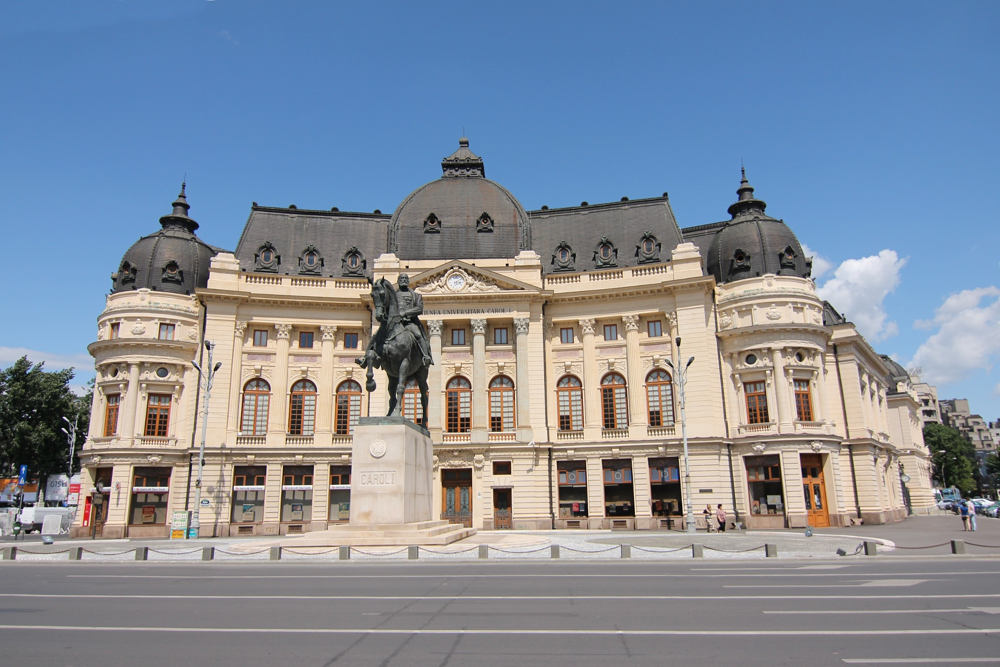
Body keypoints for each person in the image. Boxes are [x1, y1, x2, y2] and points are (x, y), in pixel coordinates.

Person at [395, 274, 432, 367]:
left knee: (418, 335)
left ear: (408, 282)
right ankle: (369, 357)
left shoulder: (415, 295)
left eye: (405, 279)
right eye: (401, 278)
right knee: (378, 335)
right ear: (398, 281)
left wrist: (405, 313)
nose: (403, 280)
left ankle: (426, 356)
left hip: (409, 323)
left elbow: (419, 309)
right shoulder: (393, 295)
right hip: (395, 323)